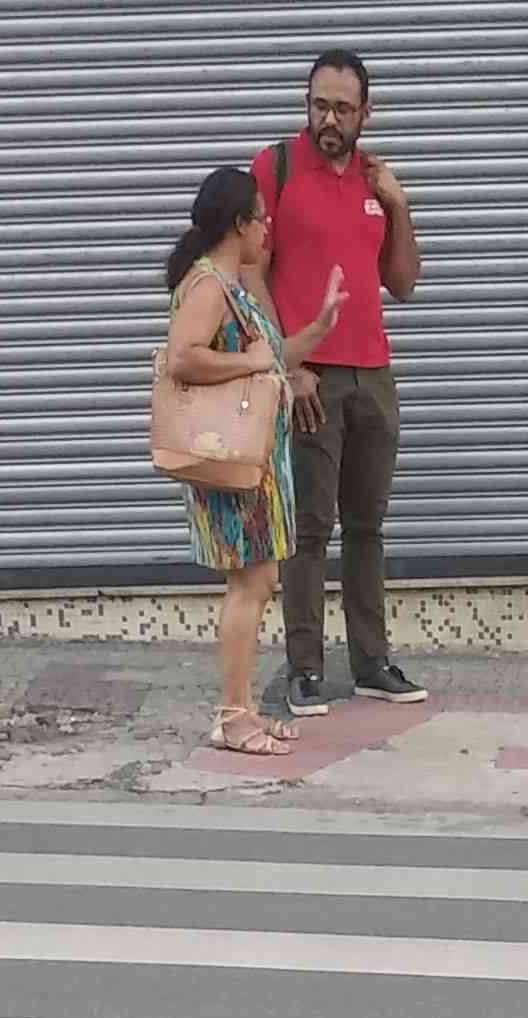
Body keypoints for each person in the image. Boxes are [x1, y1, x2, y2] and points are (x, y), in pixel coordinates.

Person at [254, 50, 426, 715]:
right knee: (309, 529)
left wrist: (399, 205)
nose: (329, 120)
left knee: (367, 526)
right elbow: (251, 274)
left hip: (373, 374)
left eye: (343, 109)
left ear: (366, 114)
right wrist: (287, 364)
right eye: (319, 106)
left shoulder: (373, 180)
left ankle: (372, 662)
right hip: (311, 377)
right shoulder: (276, 168)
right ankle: (304, 670)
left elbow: (403, 283)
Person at [159, 163, 347, 759]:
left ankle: (241, 709)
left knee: (259, 581)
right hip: (232, 461)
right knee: (250, 584)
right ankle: (232, 716)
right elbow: (183, 358)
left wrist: (319, 327)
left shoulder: (230, 284)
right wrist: (250, 363)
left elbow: (272, 357)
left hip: (256, 461)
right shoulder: (209, 285)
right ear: (238, 224)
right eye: (261, 220)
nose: (267, 230)